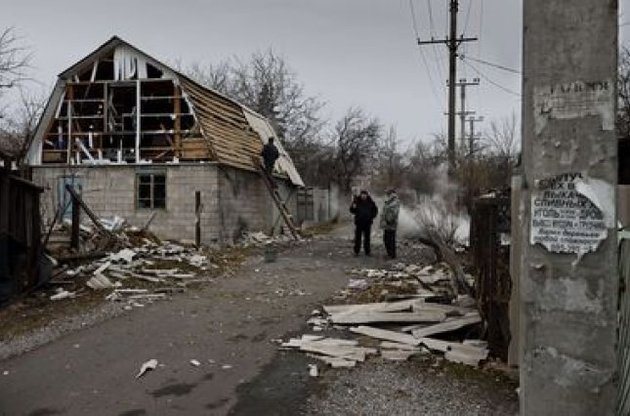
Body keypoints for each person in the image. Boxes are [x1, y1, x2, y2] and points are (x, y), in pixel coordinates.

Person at [350, 190, 378, 256]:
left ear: (367, 195)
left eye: (365, 194)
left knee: (367, 238)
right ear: (361, 195)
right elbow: (352, 210)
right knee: (357, 238)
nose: (363, 196)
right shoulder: (357, 201)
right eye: (362, 194)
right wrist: (353, 206)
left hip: (367, 223)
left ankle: (367, 252)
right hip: (359, 223)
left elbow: (375, 210)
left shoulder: (370, 202)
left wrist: (371, 217)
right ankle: (356, 252)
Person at [380, 188, 400, 259]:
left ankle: (392, 255)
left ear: (393, 194)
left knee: (391, 240)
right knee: (386, 239)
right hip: (386, 224)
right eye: (388, 194)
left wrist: (388, 220)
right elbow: (384, 212)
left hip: (391, 223)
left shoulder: (395, 202)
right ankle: (389, 253)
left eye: (390, 193)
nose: (388, 195)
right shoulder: (388, 201)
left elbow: (394, 213)